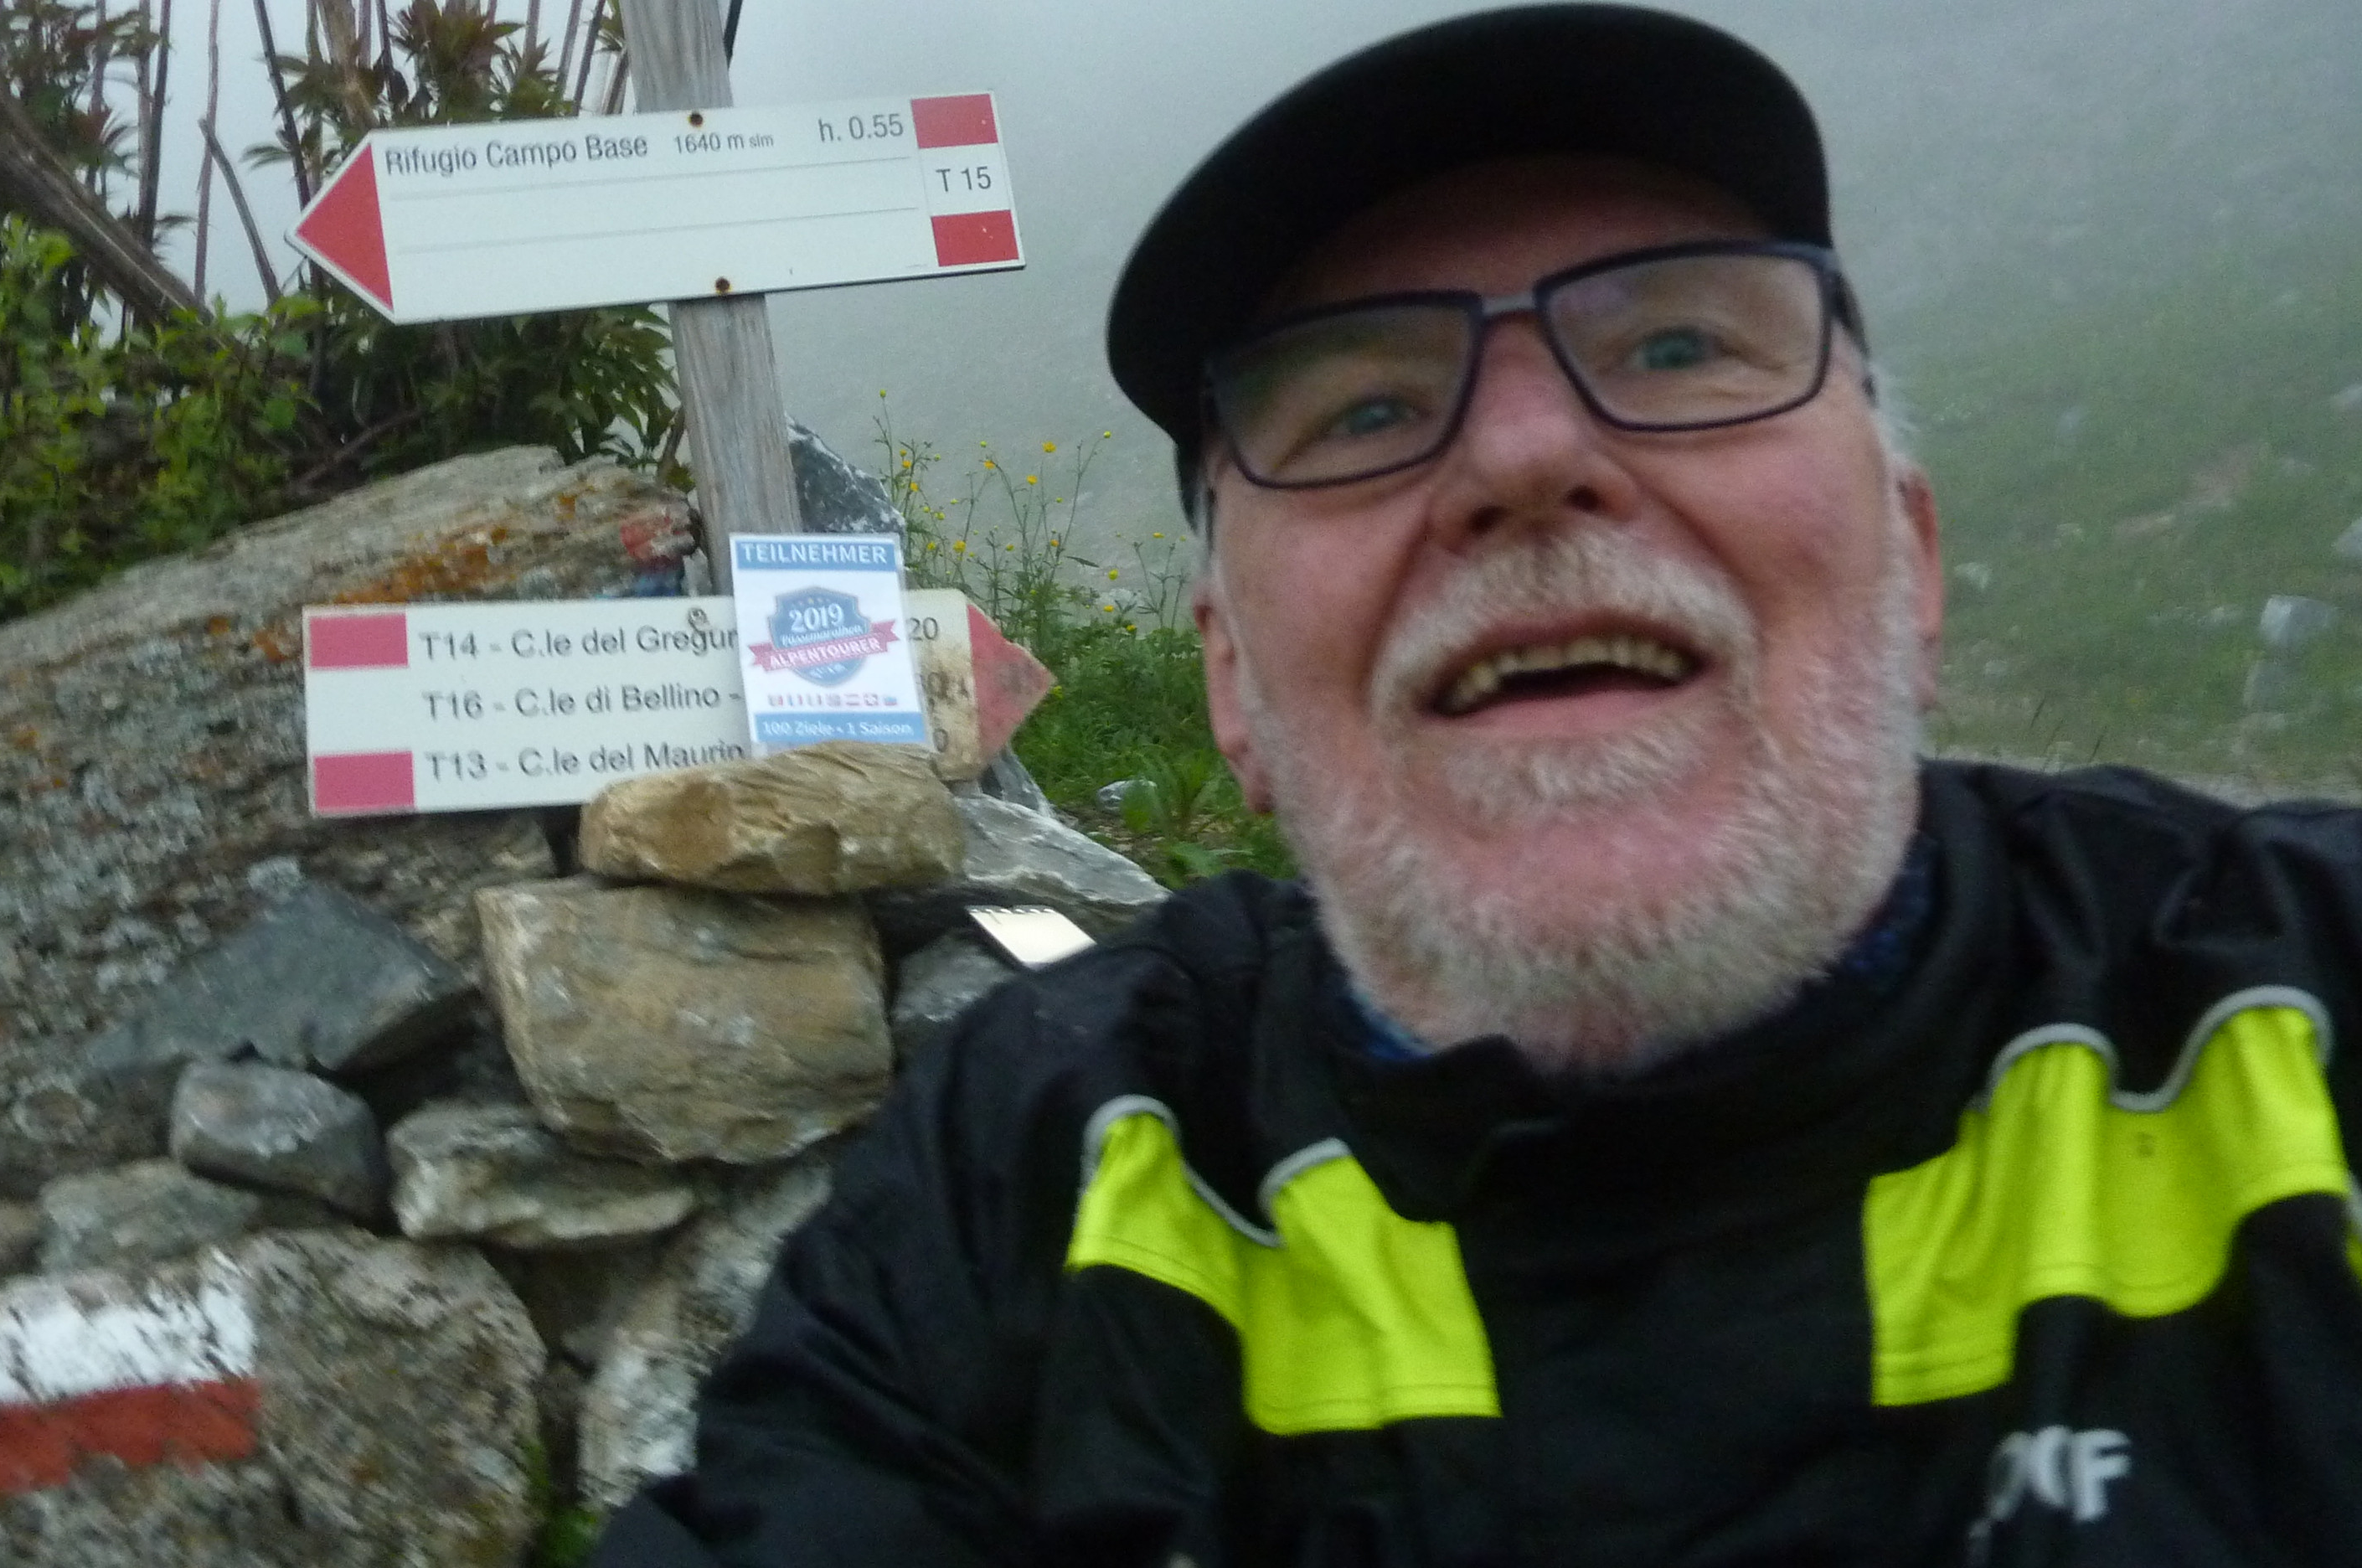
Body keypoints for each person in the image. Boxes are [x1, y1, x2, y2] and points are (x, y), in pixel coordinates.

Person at [594, 6, 2362, 1564]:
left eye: (1678, 348)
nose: (1526, 455)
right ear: (1232, 682)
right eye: (1362, 411)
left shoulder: (2300, 1007)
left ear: (1912, 559)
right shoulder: (1043, 1172)